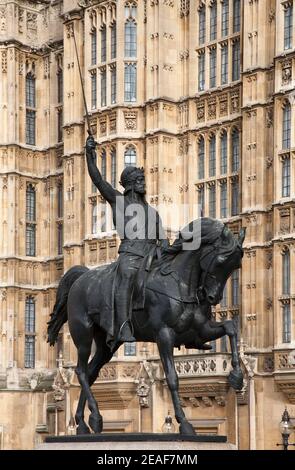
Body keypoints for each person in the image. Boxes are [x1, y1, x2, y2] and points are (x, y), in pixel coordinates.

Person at [85, 135, 165, 345]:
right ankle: (123, 326)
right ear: (129, 185)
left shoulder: (153, 212)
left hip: (151, 257)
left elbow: (163, 241)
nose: (143, 183)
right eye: (139, 180)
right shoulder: (119, 201)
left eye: (143, 180)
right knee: (127, 277)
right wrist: (89, 156)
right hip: (130, 256)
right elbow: (99, 181)